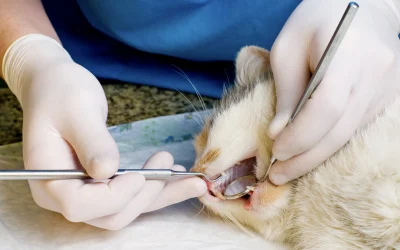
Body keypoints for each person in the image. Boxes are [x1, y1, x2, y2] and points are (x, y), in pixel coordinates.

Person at [0, 0, 399, 230]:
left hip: (349, 52)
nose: (198, 169)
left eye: (205, 136)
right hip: (87, 38)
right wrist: (30, 55)